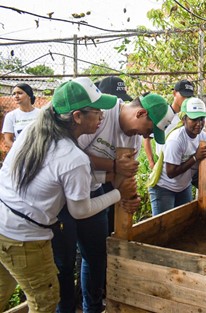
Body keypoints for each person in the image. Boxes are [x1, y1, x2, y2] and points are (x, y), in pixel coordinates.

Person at [0, 77, 139, 312]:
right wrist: (118, 193)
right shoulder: (73, 157)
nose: (102, 117)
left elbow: (61, 178)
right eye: (97, 112)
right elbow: (80, 210)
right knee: (44, 300)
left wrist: (107, 178)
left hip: (4, 221)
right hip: (24, 237)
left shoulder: (36, 130)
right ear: (77, 116)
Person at [52, 91, 174, 313]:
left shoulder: (134, 139)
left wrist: (128, 197)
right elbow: (69, 153)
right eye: (149, 130)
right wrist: (114, 166)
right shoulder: (101, 115)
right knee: (64, 264)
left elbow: (121, 178)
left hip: (94, 190)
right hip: (61, 198)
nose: (147, 137)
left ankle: (93, 309)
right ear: (141, 113)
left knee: (96, 258)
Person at [152, 97, 206, 215]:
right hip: (164, 188)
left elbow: (202, 164)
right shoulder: (176, 140)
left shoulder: (203, 137)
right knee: (164, 226)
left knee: (184, 222)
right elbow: (171, 173)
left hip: (183, 186)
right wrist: (195, 157)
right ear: (184, 119)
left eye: (201, 119)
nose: (199, 124)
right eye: (194, 119)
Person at [144, 79, 195, 213]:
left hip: (184, 183)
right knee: (162, 225)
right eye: (183, 95)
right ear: (174, 94)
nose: (186, 99)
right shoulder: (163, 114)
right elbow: (147, 138)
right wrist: (151, 162)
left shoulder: (191, 118)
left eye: (189, 96)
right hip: (164, 182)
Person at [97, 76, 134, 235]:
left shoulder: (130, 131)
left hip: (110, 181)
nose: (118, 103)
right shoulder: (96, 121)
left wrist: (131, 196)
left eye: (121, 99)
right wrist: (114, 167)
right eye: (114, 100)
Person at [2, 83, 40, 153]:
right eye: (14, 94)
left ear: (29, 95)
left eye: (19, 93)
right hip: (20, 154)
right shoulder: (11, 116)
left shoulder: (41, 114)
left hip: (39, 152)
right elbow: (8, 140)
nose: (16, 96)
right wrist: (20, 151)